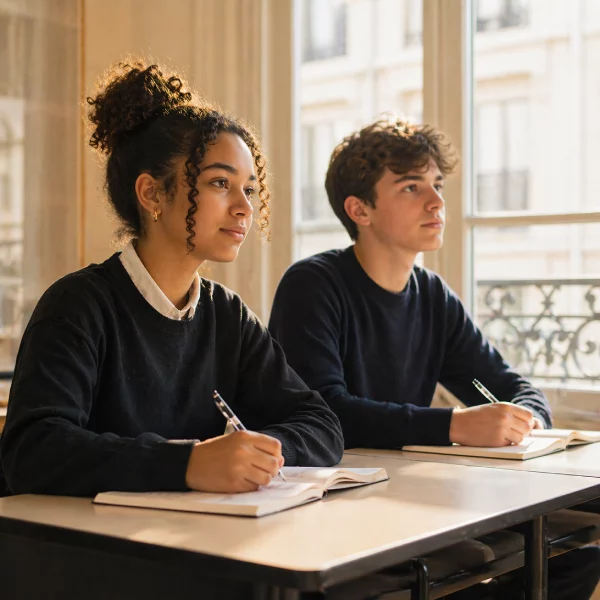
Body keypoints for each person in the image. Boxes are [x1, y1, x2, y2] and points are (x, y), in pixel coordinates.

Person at [268, 117, 599, 599]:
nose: (437, 202)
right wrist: (456, 426)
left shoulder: (433, 296)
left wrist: (526, 418)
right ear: (359, 209)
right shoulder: (314, 285)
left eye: (437, 184)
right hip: (332, 511)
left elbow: (509, 384)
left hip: (410, 498)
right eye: (410, 187)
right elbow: (326, 415)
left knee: (573, 560)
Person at [0, 61, 343, 497]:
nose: (244, 208)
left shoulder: (227, 314)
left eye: (250, 189)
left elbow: (321, 424)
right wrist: (187, 463)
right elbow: (33, 451)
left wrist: (261, 454)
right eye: (221, 182)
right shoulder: (79, 305)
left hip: (192, 545)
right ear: (151, 194)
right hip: (88, 555)